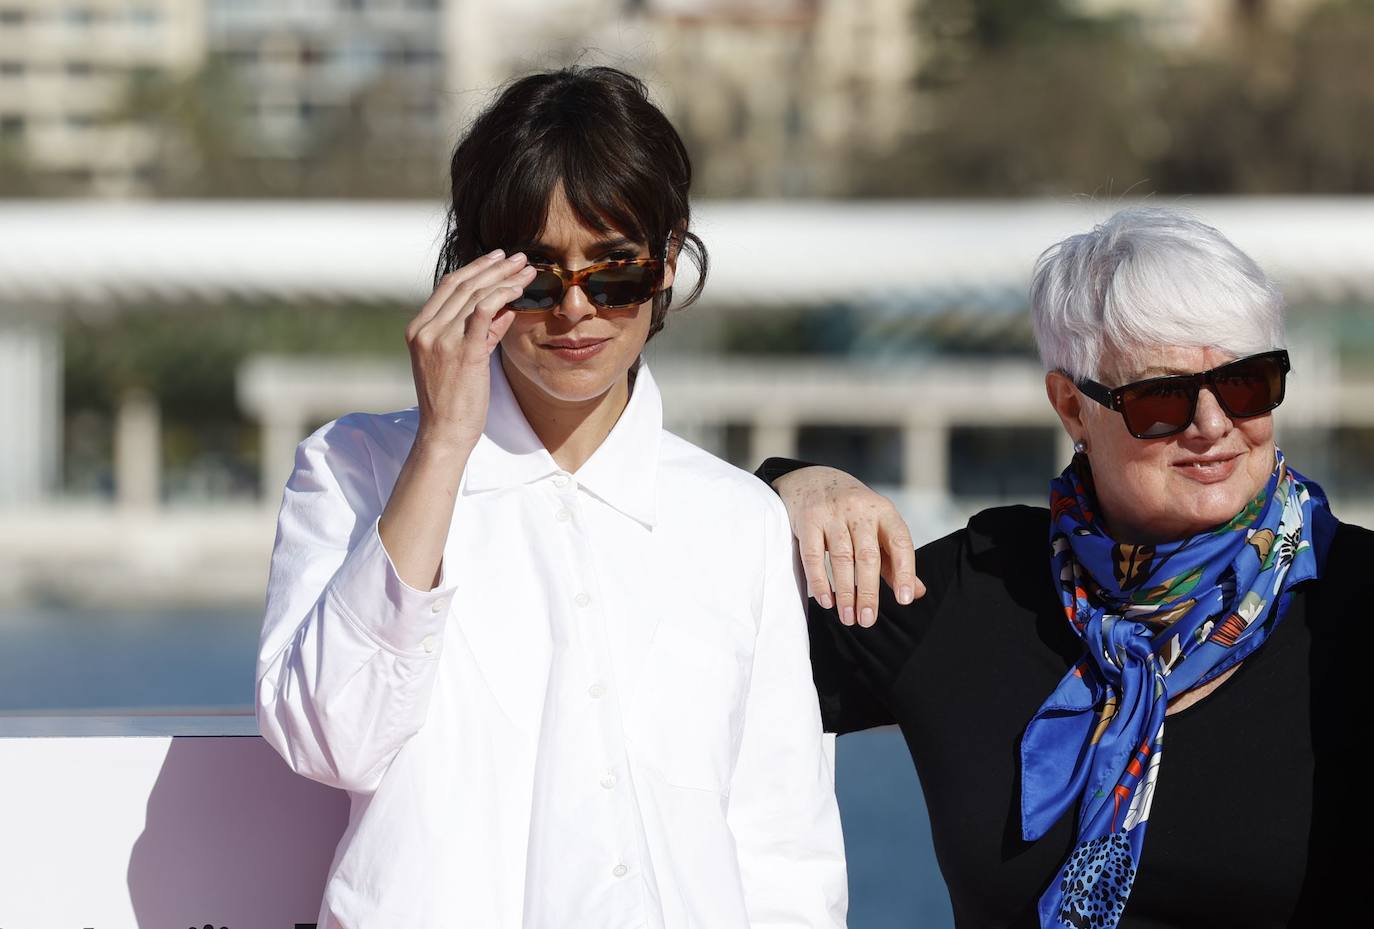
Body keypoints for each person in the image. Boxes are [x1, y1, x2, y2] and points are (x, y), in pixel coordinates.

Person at [256, 66, 846, 929]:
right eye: (537, 276)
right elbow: (329, 736)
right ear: (473, 273)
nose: (576, 311)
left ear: (668, 264)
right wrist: (444, 445)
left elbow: (784, 852)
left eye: (615, 272)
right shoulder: (354, 469)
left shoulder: (739, 520)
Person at [758, 206, 1363, 927]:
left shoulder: (1353, 601)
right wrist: (785, 487)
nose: (1211, 425)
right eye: (1161, 398)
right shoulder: (977, 591)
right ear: (1071, 405)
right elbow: (673, 640)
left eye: (1247, 383)